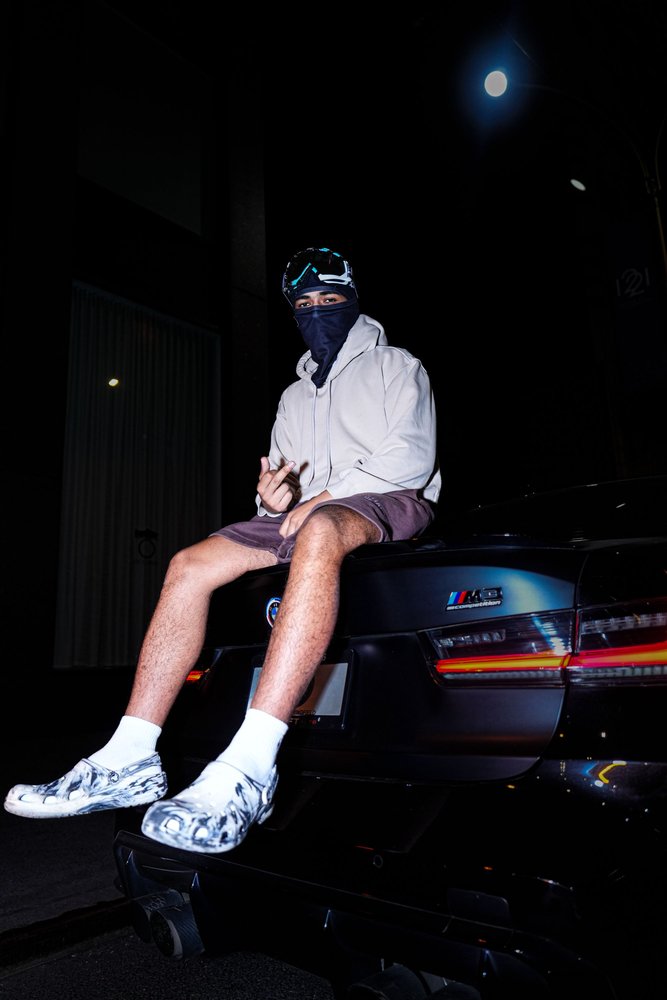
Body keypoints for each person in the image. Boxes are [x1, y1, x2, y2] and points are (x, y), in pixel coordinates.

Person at [4, 246, 441, 854]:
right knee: (191, 563)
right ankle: (130, 755)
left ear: (353, 301)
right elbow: (284, 489)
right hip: (308, 512)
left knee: (319, 528)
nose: (318, 313)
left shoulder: (396, 365)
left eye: (330, 300)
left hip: (389, 498)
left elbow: (411, 458)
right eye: (305, 305)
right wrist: (273, 498)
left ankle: (252, 765)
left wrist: (320, 501)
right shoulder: (294, 397)